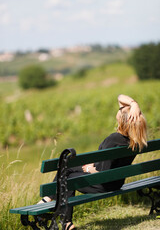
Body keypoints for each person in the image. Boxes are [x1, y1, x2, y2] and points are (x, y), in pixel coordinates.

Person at [38, 94, 147, 230]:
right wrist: (134, 104)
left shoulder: (113, 139)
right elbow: (120, 97)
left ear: (123, 121)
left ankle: (64, 221)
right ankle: (48, 202)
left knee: (68, 179)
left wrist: (89, 169)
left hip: (104, 184)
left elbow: (102, 172)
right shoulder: (135, 142)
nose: (119, 110)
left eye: (120, 111)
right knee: (67, 166)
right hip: (117, 182)